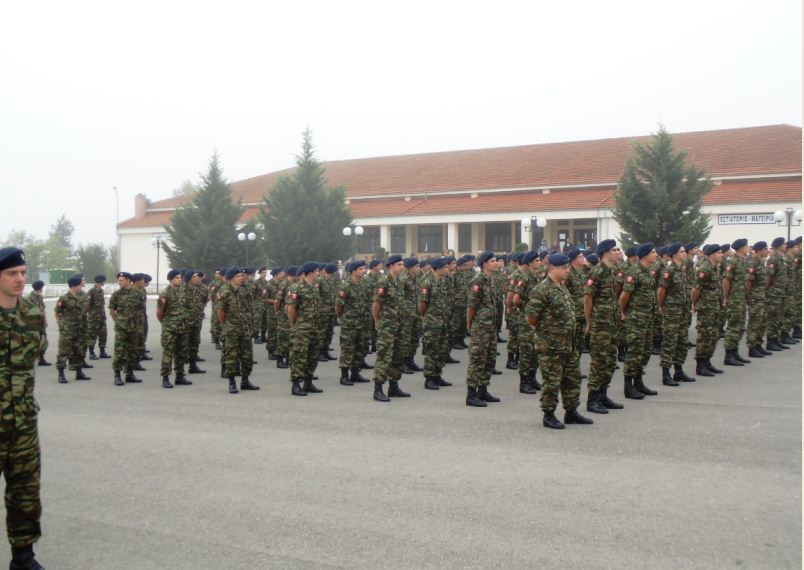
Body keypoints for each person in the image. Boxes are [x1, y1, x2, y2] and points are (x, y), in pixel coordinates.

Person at [0, 248, 46, 569]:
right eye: (12, 274)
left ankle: (23, 557)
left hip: (23, 424)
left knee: (26, 494)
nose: (20, 279)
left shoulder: (31, 311)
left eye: (23, 272)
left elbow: (37, 351)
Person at [526, 253, 593, 429]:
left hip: (568, 343)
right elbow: (531, 317)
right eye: (564, 268)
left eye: (568, 267)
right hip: (551, 345)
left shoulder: (562, 287)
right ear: (553, 268)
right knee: (552, 381)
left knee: (572, 378)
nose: (567, 270)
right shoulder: (542, 289)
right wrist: (546, 333)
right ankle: (548, 414)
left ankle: (571, 411)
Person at [584, 240, 623, 414]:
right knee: (599, 362)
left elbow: (614, 296)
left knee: (610, 361)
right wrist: (589, 321)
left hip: (612, 323)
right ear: (605, 253)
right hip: (600, 324)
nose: (617, 252)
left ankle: (603, 394)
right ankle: (592, 400)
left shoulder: (613, 270)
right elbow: (588, 299)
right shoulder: (597, 271)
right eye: (614, 250)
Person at [620, 243, 659, 399]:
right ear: (645, 255)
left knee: (645, 350)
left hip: (647, 318)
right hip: (636, 318)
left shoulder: (648, 271)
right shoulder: (634, 272)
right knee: (634, 351)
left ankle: (639, 381)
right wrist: (622, 314)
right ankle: (628, 386)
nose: (656, 254)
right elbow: (624, 296)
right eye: (653, 252)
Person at [371, 254, 410, 402]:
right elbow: (376, 304)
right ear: (391, 266)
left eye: (402, 264)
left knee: (397, 355)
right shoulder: (383, 281)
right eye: (399, 265)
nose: (402, 267)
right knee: (384, 356)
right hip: (387, 325)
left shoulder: (400, 281)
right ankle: (378, 389)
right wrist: (377, 321)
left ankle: (393, 386)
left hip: (399, 324)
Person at [465, 251, 501, 407]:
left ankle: (483, 390)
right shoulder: (478, 281)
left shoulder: (491, 279)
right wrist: (470, 324)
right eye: (493, 261)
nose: (496, 263)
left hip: (490, 326)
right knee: (477, 359)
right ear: (485, 264)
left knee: (489, 359)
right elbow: (472, 306)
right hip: (480, 327)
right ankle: (471, 394)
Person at [657, 242, 695, 384]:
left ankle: (679, 371)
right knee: (670, 342)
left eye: (684, 251)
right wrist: (662, 306)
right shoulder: (669, 270)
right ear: (673, 254)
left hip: (683, 311)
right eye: (681, 252)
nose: (684, 254)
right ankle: (666, 374)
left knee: (682, 342)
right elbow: (661, 290)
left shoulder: (682, 270)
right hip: (672, 312)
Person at [218, 267, 260, 394]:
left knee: (247, 356)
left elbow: (248, 308)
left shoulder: (243, 291)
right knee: (232, 357)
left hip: (245, 328)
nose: (240, 278)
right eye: (237, 276)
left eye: (241, 276)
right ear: (231, 278)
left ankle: (245, 381)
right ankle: (232, 382)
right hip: (231, 330)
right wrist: (225, 326)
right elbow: (221, 311)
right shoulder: (225, 292)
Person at [287, 262, 324, 396]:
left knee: (312, 356)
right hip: (302, 329)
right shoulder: (297, 288)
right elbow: (291, 309)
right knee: (299, 356)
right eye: (317, 271)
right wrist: (295, 325)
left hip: (314, 327)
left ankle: (308, 382)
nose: (319, 273)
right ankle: (296, 384)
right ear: (310, 272)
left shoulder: (314, 288)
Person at [692, 244, 725, 376]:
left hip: (714, 307)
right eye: (719, 253)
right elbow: (696, 289)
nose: (721, 255)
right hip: (706, 308)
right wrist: (694, 304)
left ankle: (707, 361)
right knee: (705, 336)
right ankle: (700, 365)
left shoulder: (714, 268)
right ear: (711, 254)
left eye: (721, 253)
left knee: (713, 335)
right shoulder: (705, 268)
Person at [418, 257, 451, 390]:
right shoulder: (427, 282)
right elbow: (422, 304)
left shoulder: (443, 281)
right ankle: (429, 378)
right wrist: (425, 317)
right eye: (445, 267)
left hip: (442, 321)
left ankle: (437, 375)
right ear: (438, 268)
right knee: (432, 350)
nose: (447, 269)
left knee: (442, 349)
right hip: (431, 321)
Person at [336, 261, 370, 385]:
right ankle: (344, 376)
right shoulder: (346, 286)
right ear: (353, 271)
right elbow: (339, 305)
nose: (363, 271)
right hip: (349, 323)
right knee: (347, 349)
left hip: (361, 322)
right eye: (361, 269)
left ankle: (355, 373)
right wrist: (342, 317)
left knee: (359, 349)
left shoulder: (362, 284)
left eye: (364, 268)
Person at [157, 269, 191, 389]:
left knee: (181, 353)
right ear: (171, 279)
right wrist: (166, 323)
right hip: (170, 329)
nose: (180, 279)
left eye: (181, 277)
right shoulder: (165, 293)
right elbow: (160, 312)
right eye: (177, 278)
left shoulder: (182, 292)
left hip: (182, 327)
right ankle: (165, 378)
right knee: (168, 354)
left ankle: (180, 376)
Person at [109, 272, 143, 386]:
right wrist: (118, 322)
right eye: (119, 280)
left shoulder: (137, 294)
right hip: (121, 328)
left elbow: (140, 309)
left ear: (128, 280)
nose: (119, 282)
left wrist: (134, 320)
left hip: (133, 327)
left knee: (132, 351)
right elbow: (112, 311)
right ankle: (117, 375)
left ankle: (130, 374)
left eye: (122, 280)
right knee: (119, 351)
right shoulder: (116, 295)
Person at [55, 275, 91, 383]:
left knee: (79, 351)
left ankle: (79, 372)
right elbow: (57, 312)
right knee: (64, 352)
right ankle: (61, 374)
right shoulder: (64, 298)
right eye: (80, 284)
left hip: (79, 329)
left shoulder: (81, 296)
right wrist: (62, 324)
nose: (82, 286)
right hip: (68, 330)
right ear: (74, 285)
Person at [722, 238, 751, 366]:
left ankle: (735, 352)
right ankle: (728, 355)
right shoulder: (732, 262)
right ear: (740, 248)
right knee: (733, 327)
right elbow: (726, 281)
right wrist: (726, 297)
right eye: (746, 246)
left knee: (740, 327)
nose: (748, 248)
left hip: (741, 299)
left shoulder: (743, 261)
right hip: (734, 299)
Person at [746, 241, 771, 358]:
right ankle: (752, 347)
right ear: (760, 250)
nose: (767, 251)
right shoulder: (753, 263)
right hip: (756, 297)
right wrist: (749, 295)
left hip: (762, 296)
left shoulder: (762, 262)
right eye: (765, 249)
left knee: (762, 322)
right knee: (755, 322)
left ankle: (758, 345)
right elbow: (749, 281)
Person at [182, 270, 206, 374]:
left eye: (197, 276)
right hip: (186, 323)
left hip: (196, 321)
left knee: (194, 344)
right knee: (183, 345)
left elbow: (203, 301)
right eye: (194, 276)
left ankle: (193, 366)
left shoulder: (198, 289)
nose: (197, 278)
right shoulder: (181, 290)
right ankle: (180, 369)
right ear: (189, 279)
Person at [26, 281, 51, 367]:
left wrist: (45, 320)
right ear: (39, 287)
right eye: (42, 287)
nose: (42, 289)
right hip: (33, 323)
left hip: (41, 323)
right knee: (33, 341)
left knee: (44, 342)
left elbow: (42, 309)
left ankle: (41, 358)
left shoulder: (40, 297)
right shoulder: (30, 298)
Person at [85, 274, 110, 360]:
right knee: (92, 335)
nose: (104, 283)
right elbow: (87, 305)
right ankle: (91, 353)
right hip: (94, 318)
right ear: (101, 281)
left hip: (102, 317)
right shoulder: (92, 291)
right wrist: (91, 315)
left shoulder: (101, 291)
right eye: (103, 281)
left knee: (103, 334)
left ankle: (102, 352)